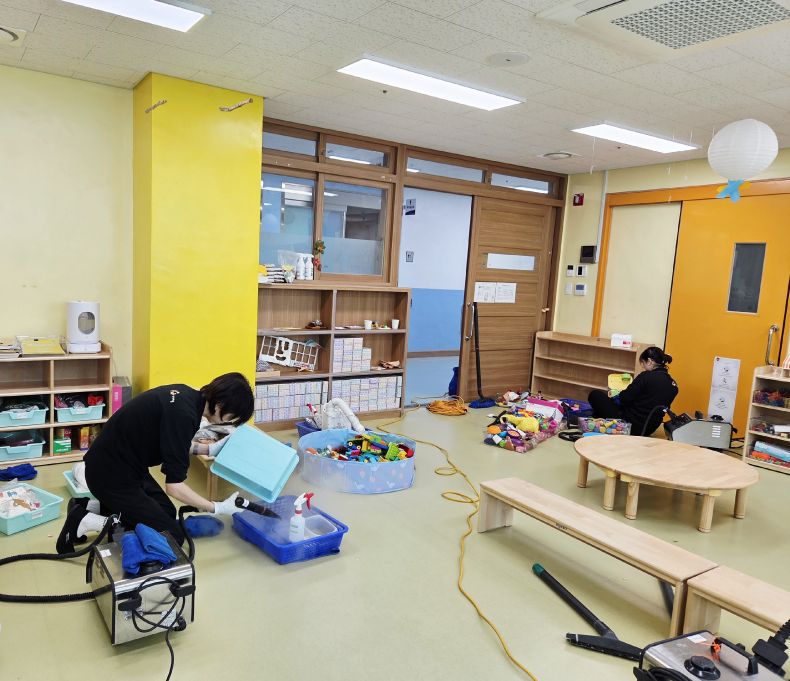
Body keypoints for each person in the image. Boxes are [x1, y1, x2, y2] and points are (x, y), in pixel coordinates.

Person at [56, 372, 254, 554]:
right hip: (110, 475)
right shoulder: (184, 416)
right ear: (219, 405)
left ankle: (91, 507)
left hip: (122, 465)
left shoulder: (186, 396)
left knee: (167, 512)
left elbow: (173, 442)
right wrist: (216, 507)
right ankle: (85, 520)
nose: (228, 423)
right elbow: (174, 488)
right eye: (231, 418)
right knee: (171, 536)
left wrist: (209, 450)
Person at [587, 347, 678, 437]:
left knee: (595, 395)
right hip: (649, 429)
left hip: (629, 425)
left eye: (643, 364)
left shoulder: (646, 376)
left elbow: (624, 398)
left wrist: (616, 396)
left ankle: (597, 423)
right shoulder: (674, 385)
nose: (643, 367)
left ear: (649, 361)